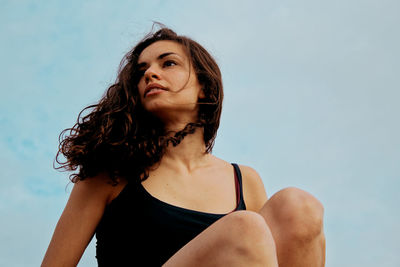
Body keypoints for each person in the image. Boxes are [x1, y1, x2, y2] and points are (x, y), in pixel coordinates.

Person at [41, 26, 326, 267]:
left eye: (168, 63)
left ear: (204, 87)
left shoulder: (244, 181)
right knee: (245, 229)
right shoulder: (110, 171)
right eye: (142, 71)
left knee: (297, 207)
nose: (150, 74)